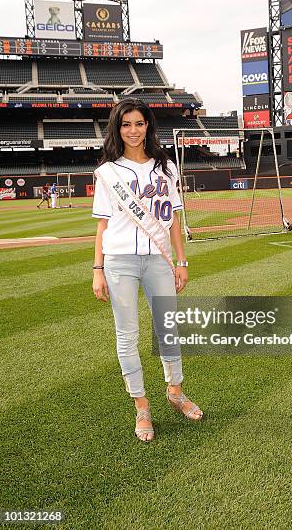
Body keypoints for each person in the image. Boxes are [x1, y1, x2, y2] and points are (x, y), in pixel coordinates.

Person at [92, 99, 203, 442]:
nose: (133, 130)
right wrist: (97, 268)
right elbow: (102, 226)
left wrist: (180, 262)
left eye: (139, 123)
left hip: (159, 260)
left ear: (148, 126)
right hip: (120, 261)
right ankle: (142, 406)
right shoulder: (109, 172)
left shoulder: (165, 168)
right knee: (127, 336)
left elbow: (174, 222)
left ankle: (175, 392)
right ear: (117, 129)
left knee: (168, 329)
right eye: (126, 124)